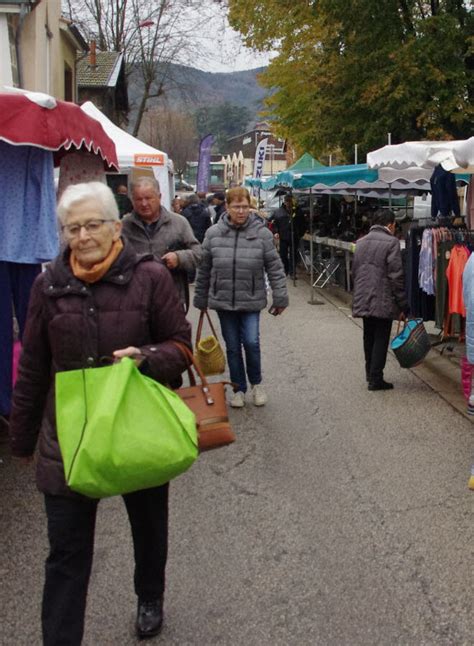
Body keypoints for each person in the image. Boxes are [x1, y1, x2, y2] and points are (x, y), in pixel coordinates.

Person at [8, 182, 192, 645]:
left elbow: (182, 348)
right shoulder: (47, 284)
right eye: (73, 228)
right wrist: (23, 440)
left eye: (92, 225)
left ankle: (150, 595)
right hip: (69, 434)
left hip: (134, 423)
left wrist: (145, 357)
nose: (83, 235)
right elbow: (32, 365)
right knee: (66, 552)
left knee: (148, 527)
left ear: (115, 227)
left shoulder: (149, 277)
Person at [194, 187, 288, 408]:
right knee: (233, 347)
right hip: (223, 300)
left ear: (250, 207)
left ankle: (256, 384)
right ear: (227, 207)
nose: (241, 211)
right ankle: (238, 388)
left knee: (252, 342)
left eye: (245, 206)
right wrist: (200, 299)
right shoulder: (213, 234)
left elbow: (275, 267)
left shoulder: (261, 234)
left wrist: (280, 296)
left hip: (251, 298)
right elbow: (204, 269)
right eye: (236, 207)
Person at [121, 176, 201, 312]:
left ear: (159, 196)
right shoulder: (123, 226)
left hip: (171, 299)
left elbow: (199, 253)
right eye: (139, 199)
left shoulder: (179, 222)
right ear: (132, 201)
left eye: (148, 198)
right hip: (135, 301)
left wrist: (179, 258)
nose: (144, 203)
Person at [352, 209, 408, 391]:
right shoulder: (392, 243)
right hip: (383, 297)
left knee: (368, 335)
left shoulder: (360, 242)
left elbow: (355, 270)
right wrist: (403, 303)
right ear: (390, 225)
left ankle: (370, 373)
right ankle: (376, 378)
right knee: (381, 336)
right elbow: (396, 276)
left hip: (363, 295)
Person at [270, 194, 294, 276]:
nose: (289, 203)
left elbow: (301, 222)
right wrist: (275, 232)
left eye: (290, 201)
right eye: (287, 201)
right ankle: (285, 270)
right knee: (283, 255)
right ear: (285, 201)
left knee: (293, 255)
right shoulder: (278, 211)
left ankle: (292, 272)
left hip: (294, 236)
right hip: (283, 236)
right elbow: (272, 222)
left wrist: (299, 233)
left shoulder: (295, 211)